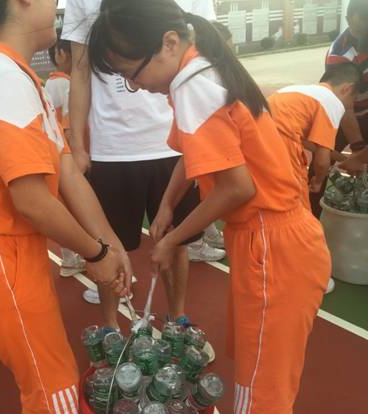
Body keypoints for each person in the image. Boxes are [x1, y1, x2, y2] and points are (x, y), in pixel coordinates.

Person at [87, 1, 331, 412]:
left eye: (132, 73)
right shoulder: (200, 70)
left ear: (168, 43)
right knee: (257, 369)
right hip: (270, 239)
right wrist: (167, 205)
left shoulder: (192, 85)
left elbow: (237, 187)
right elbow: (193, 153)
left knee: (262, 389)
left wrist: (172, 241)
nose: (135, 86)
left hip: (273, 244)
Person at [0, 0, 132, 412]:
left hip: (9, 257)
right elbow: (31, 200)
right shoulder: (2, 81)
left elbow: (67, 172)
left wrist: (110, 243)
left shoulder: (19, 77)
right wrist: (96, 254)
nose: (59, 4)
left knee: (52, 385)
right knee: (55, 390)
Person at [62, 0, 224, 351]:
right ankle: (110, 327)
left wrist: (202, 139)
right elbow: (80, 69)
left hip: (174, 146)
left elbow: (209, 51)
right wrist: (77, 145)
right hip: (113, 147)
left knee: (176, 243)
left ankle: (177, 320)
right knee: (108, 247)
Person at [268, 64, 361, 210]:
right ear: (347, 88)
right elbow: (322, 161)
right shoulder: (332, 102)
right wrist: (318, 181)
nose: (350, 105)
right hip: (281, 144)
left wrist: (345, 159)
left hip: (260, 136)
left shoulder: (300, 92)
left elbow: (312, 145)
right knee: (297, 198)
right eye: (353, 99)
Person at [310, 0, 368, 217]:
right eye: (359, 27)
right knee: (321, 161)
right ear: (348, 20)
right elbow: (344, 107)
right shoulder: (340, 54)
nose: (363, 33)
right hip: (343, 114)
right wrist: (358, 148)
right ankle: (311, 213)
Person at [45, 31, 86, 277]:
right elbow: (70, 124)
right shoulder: (67, 84)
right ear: (61, 54)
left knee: (64, 206)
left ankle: (70, 258)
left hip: (56, 153)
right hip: (68, 155)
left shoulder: (50, 83)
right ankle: (79, 257)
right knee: (78, 207)